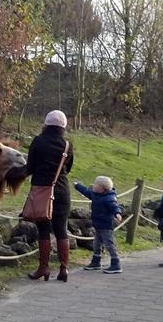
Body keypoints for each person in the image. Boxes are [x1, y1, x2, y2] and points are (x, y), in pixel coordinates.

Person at [25, 110, 75, 281]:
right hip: (62, 191)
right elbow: (67, 169)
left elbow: (29, 168)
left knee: (43, 230)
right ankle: (64, 269)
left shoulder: (38, 141)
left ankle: (44, 268)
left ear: (46, 123)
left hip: (42, 191)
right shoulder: (67, 145)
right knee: (61, 229)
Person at [74, 175, 123, 274]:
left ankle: (116, 263)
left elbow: (114, 206)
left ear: (100, 188)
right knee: (96, 244)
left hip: (106, 226)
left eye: (95, 184)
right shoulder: (95, 195)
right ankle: (96, 261)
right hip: (98, 225)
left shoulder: (109, 198)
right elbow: (86, 191)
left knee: (109, 244)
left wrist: (117, 213)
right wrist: (77, 186)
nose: (93, 185)